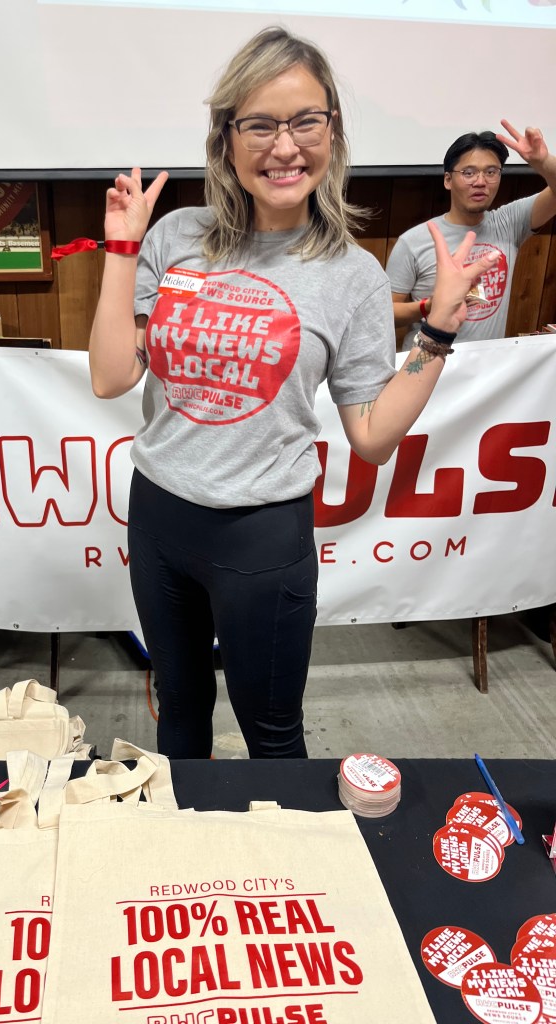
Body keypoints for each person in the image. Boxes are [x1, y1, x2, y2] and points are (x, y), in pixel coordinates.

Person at [89, 26, 498, 760]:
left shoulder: (353, 275)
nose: (285, 147)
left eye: (306, 121)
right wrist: (122, 248)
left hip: (262, 538)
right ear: (226, 140)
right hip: (157, 519)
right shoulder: (176, 236)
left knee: (273, 739)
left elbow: (372, 436)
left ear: (332, 132)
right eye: (260, 124)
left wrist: (436, 330)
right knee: (179, 713)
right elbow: (111, 376)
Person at [387, 125, 556, 342]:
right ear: (448, 180)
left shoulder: (509, 222)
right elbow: (385, 312)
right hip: (429, 358)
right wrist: (429, 306)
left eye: (491, 172)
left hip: (487, 359)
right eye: (468, 173)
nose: (480, 182)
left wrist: (542, 162)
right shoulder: (414, 241)